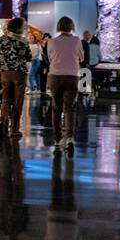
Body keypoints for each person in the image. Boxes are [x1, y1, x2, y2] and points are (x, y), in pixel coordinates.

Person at [46, 17, 83, 156]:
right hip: (72, 76)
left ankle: (57, 139)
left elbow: (50, 58)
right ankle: (70, 138)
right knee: (70, 108)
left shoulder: (51, 41)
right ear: (71, 26)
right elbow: (82, 57)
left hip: (55, 76)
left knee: (56, 108)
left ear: (59, 26)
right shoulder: (76, 40)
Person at [0, 17, 30, 140]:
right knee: (18, 101)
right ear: (18, 28)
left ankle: (2, 123)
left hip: (5, 73)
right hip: (19, 74)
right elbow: (28, 57)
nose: (24, 29)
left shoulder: (1, 40)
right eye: (23, 27)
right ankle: (15, 129)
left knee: (6, 100)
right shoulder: (23, 41)